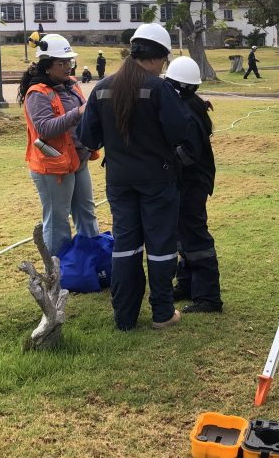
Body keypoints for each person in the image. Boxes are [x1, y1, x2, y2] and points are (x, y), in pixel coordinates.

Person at [77, 22, 194, 331]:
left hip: (118, 181)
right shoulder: (159, 88)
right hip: (158, 180)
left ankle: (125, 317)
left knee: (125, 245)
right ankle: (162, 313)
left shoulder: (101, 89)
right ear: (157, 57)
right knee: (160, 245)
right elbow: (181, 130)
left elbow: (88, 137)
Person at [18, 34, 100, 258]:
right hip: (53, 167)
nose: (67, 67)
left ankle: (92, 259)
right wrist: (78, 113)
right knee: (57, 220)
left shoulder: (71, 86)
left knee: (86, 213)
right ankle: (58, 270)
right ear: (47, 66)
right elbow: (44, 128)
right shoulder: (37, 93)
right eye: (61, 63)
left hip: (77, 160)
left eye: (69, 62)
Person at [164, 56, 223, 314]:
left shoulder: (186, 112)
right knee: (182, 234)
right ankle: (186, 284)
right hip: (188, 182)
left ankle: (208, 298)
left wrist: (163, 162)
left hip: (191, 183)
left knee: (195, 236)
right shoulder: (190, 104)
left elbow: (188, 154)